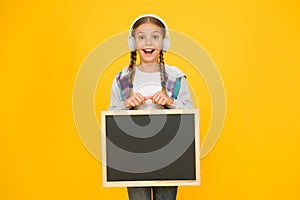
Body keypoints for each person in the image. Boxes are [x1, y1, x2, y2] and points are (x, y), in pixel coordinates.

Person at [108, 14, 194, 200]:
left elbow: (190, 115)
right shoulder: (122, 79)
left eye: (155, 36)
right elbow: (111, 120)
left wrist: (171, 102)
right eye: (141, 37)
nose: (148, 42)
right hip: (134, 154)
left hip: (170, 152)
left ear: (164, 42)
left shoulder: (176, 78)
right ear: (133, 43)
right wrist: (126, 105)